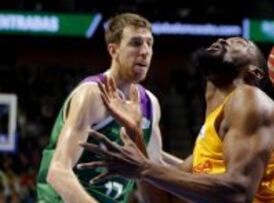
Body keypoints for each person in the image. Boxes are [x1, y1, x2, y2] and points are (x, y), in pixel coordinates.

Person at [79, 37, 274, 202]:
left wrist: (143, 168)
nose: (223, 41)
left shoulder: (249, 98)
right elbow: (164, 199)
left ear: (254, 74)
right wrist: (135, 131)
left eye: (238, 43)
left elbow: (239, 192)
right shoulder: (206, 144)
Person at [36, 13, 181, 203]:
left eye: (149, 43)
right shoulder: (92, 95)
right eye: (136, 43)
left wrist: (205, 169)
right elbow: (57, 172)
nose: (145, 51)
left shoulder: (150, 104)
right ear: (113, 50)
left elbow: (153, 164)